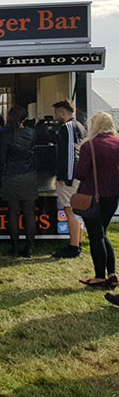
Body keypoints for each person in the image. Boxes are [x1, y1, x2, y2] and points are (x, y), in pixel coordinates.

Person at [73, 111, 119, 288]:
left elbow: (80, 173)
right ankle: (112, 273)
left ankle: (100, 276)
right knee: (103, 233)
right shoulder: (117, 143)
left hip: (92, 196)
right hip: (113, 196)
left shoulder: (89, 146)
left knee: (95, 235)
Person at [0, 106, 38, 257]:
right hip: (29, 175)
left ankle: (14, 247)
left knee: (13, 213)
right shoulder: (31, 133)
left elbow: (3, 158)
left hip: (11, 175)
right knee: (29, 213)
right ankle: (29, 247)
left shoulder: (6, 135)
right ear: (24, 119)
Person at [52, 99, 86, 259]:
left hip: (70, 178)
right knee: (76, 211)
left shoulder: (68, 127)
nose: (54, 116)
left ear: (61, 113)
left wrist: (67, 177)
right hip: (76, 176)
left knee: (69, 210)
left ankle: (74, 247)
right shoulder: (80, 126)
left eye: (56, 113)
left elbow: (72, 154)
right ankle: (77, 242)